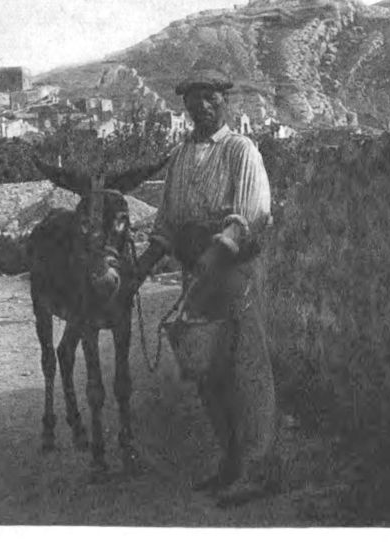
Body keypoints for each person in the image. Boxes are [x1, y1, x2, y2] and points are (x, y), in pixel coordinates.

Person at [129, 70, 278, 505]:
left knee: (247, 367)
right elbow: (167, 223)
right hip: (198, 272)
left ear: (224, 101)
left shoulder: (240, 150)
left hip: (234, 272)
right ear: (186, 105)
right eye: (194, 99)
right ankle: (230, 462)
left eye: (211, 97)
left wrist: (215, 257)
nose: (203, 105)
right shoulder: (180, 157)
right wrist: (141, 268)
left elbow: (252, 214)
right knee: (208, 372)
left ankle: (259, 470)